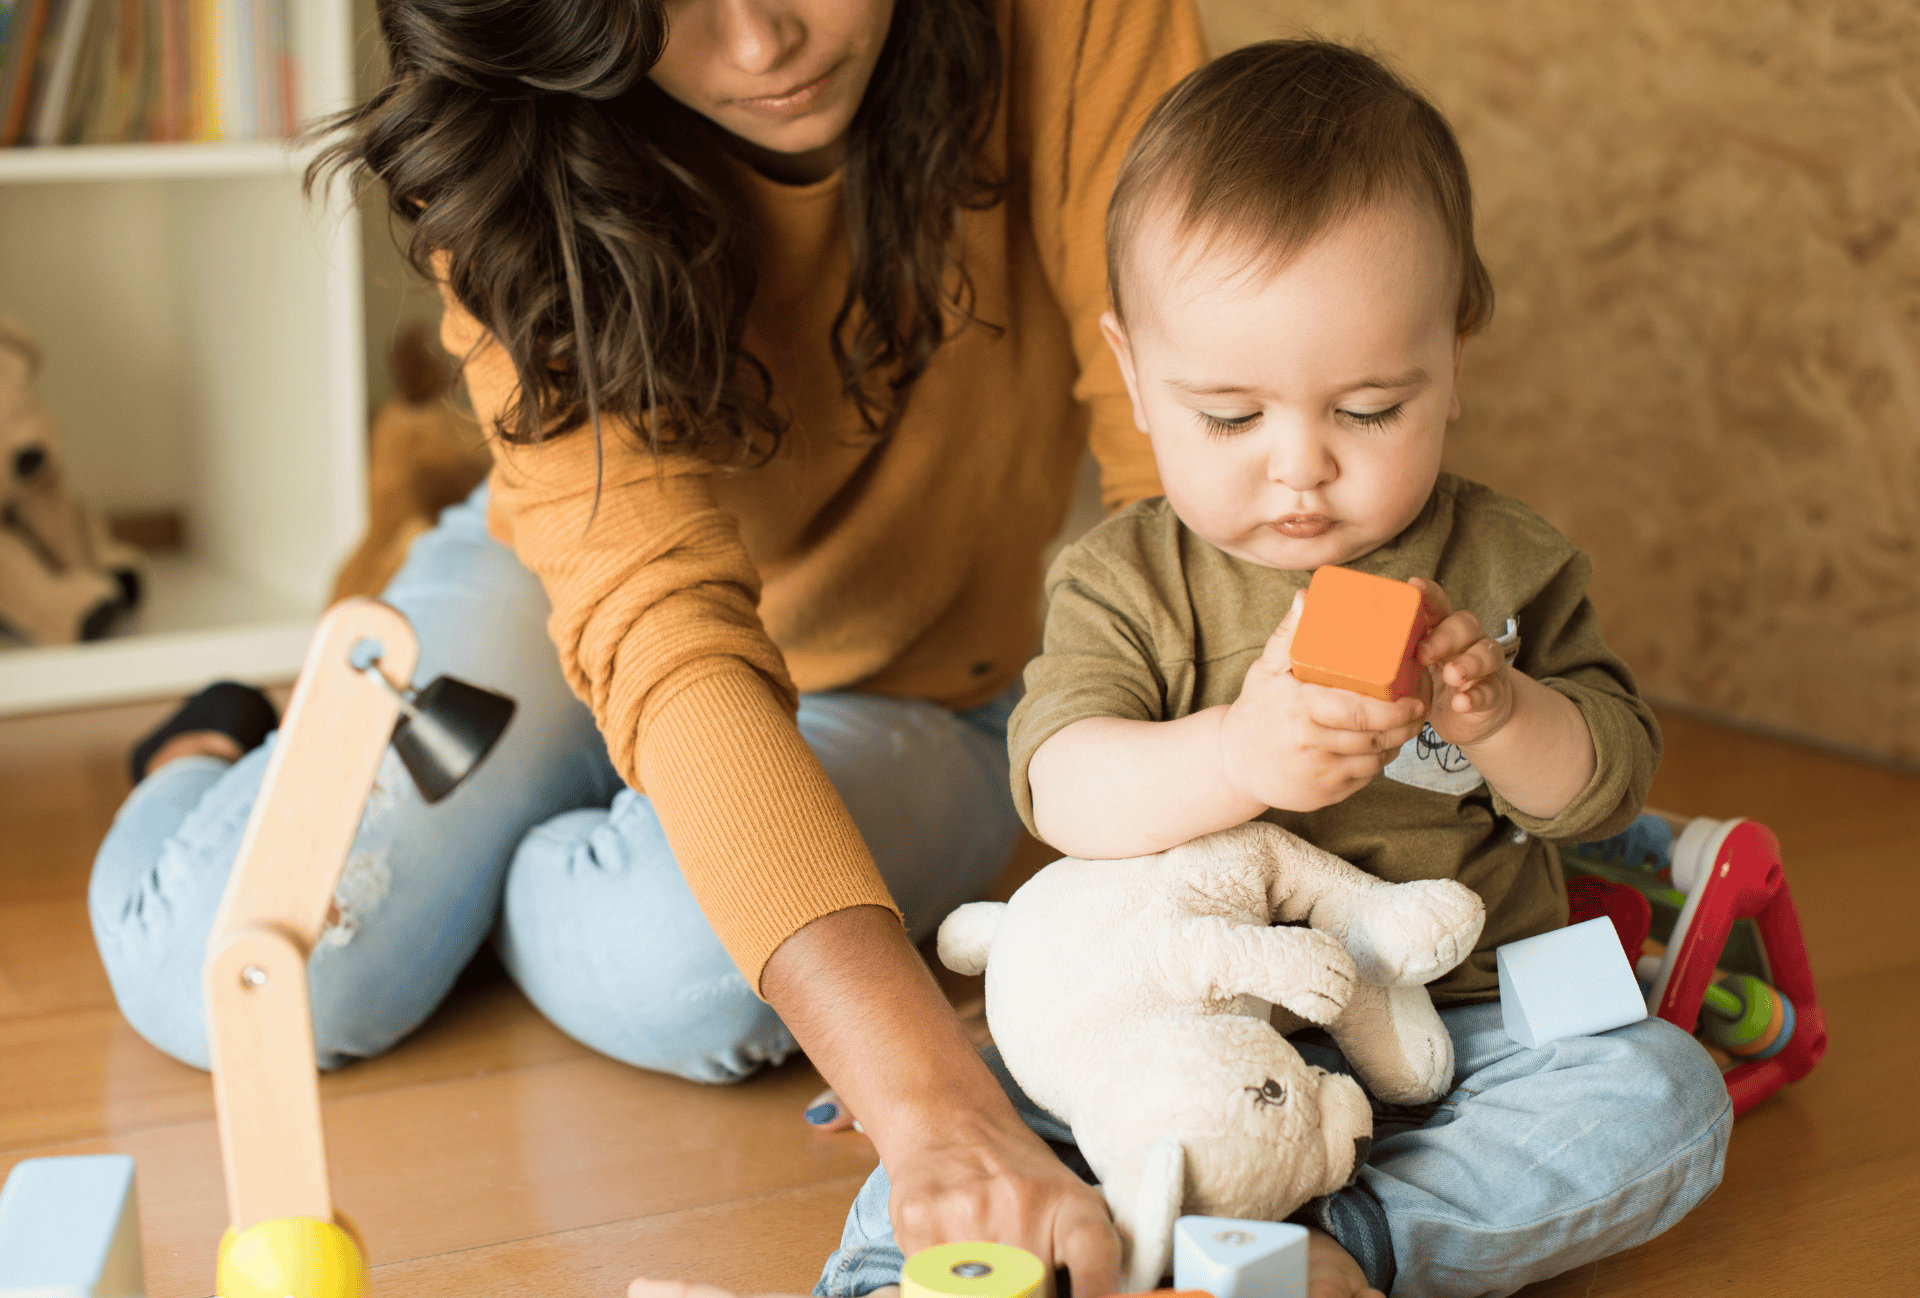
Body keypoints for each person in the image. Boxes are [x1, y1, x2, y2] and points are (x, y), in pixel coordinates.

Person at [86, 3, 1208, 1294]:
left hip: (910, 676)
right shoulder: (510, 122)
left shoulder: (1081, 23)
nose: (761, 43)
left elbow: (1178, 470)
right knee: (226, 978)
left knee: (684, 971)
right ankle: (208, 738)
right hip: (567, 591)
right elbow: (659, 622)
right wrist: (937, 1109)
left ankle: (519, 853)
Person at [794, 40, 1733, 1298]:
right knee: (990, 1106)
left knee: (1666, 1094)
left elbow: (1606, 783)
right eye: (1230, 417)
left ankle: (1328, 1251)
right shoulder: (1126, 577)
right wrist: (1237, 752)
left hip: (1456, 1019)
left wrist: (1508, 714)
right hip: (1179, 1018)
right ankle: (905, 1277)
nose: (1300, 467)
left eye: (1368, 409)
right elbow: (1061, 785)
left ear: (1454, 360)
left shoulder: (1505, 563)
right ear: (1133, 376)